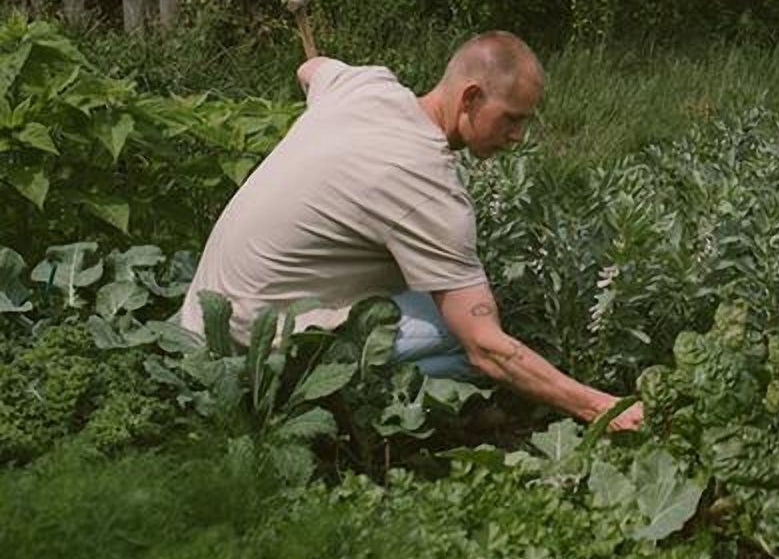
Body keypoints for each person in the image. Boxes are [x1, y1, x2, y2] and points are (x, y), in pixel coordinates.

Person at [178, 31, 641, 430]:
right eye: (512, 118)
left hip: (203, 320)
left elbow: (311, 68)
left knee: (445, 300)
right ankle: (354, 413)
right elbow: (488, 350)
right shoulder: (425, 186)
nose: (518, 135)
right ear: (471, 98)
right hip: (253, 356)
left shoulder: (363, 84)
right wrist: (603, 407)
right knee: (466, 342)